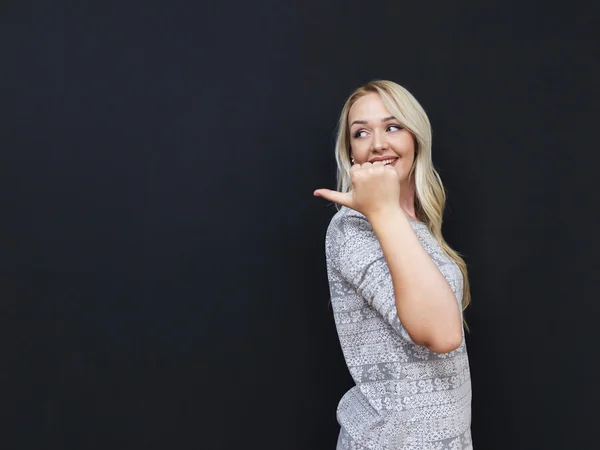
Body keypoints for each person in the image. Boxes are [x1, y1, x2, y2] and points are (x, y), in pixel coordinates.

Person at [314, 80, 473, 450]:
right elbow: (442, 334)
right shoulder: (352, 228)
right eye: (361, 133)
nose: (378, 143)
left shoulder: (415, 225)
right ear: (351, 153)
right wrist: (382, 208)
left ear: (415, 137)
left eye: (392, 126)